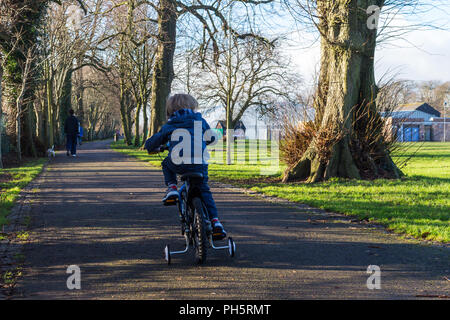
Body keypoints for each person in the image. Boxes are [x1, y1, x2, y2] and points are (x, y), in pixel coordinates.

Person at [144, 94, 227, 240]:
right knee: (205, 191)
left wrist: (156, 146)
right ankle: (216, 222)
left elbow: (150, 144)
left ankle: (172, 188)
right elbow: (212, 138)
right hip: (199, 164)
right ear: (192, 107)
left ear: (170, 110)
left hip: (178, 163)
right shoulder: (199, 121)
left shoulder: (170, 124)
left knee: (166, 163)